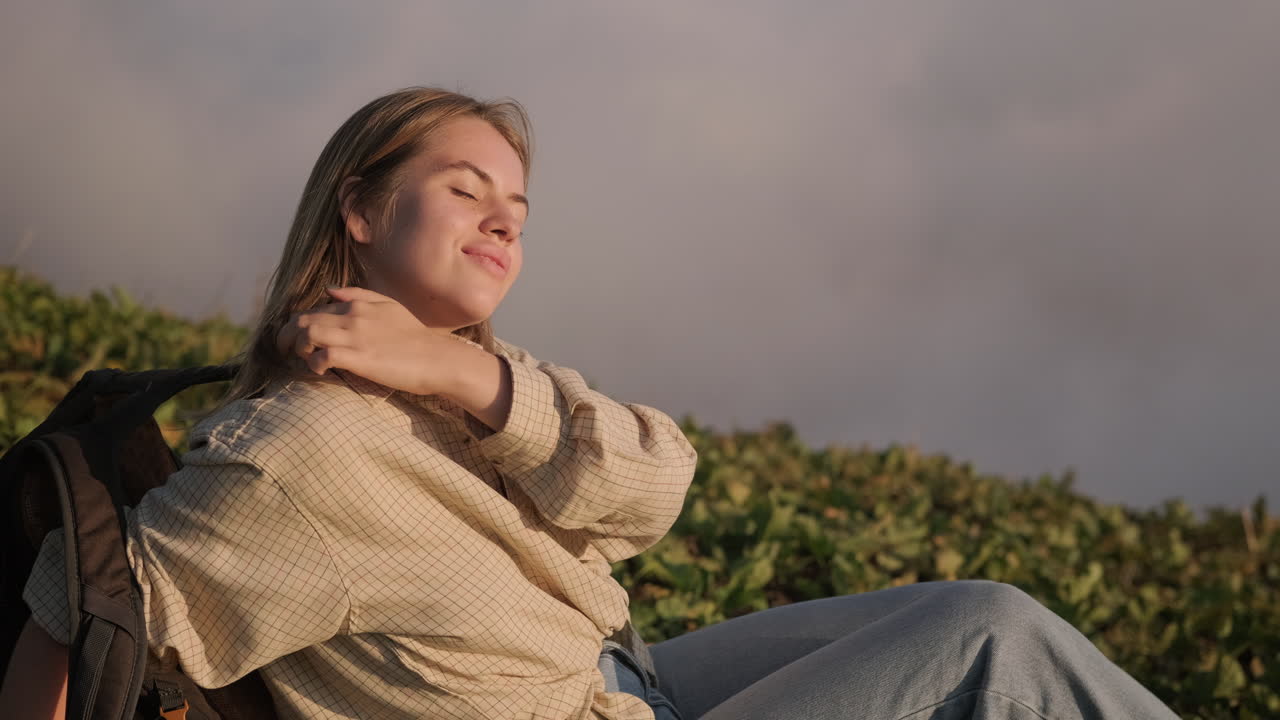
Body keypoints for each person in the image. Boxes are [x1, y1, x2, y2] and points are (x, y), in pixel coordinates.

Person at [0, 87, 1179, 720]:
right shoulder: (298, 447)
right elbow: (79, 615)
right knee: (991, 645)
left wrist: (462, 372)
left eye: (515, 201)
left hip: (628, 676)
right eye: (464, 190)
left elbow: (655, 488)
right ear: (357, 211)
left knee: (977, 605)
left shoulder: (469, 386)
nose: (505, 219)